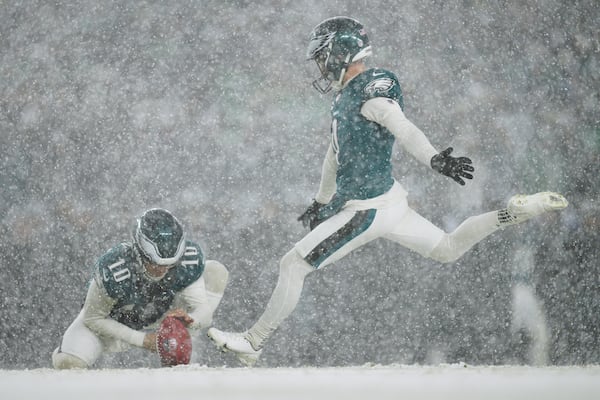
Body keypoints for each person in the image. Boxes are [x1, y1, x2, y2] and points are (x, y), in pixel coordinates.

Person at [207, 16, 568, 367]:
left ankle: (254, 342)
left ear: (339, 53)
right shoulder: (347, 96)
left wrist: (434, 160)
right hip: (389, 200)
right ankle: (516, 213)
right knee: (447, 248)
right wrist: (321, 201)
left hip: (369, 208)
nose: (319, 65)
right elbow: (333, 155)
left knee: (294, 264)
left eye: (322, 56)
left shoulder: (369, 93)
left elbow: (403, 127)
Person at [52, 208, 229, 369]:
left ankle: (181, 341)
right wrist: (142, 340)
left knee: (216, 272)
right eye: (154, 263)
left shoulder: (188, 260)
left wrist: (192, 319)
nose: (162, 269)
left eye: (170, 264)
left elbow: (204, 312)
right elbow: (93, 318)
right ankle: (69, 347)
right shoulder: (115, 266)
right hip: (117, 323)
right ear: (137, 251)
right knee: (68, 362)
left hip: (164, 317)